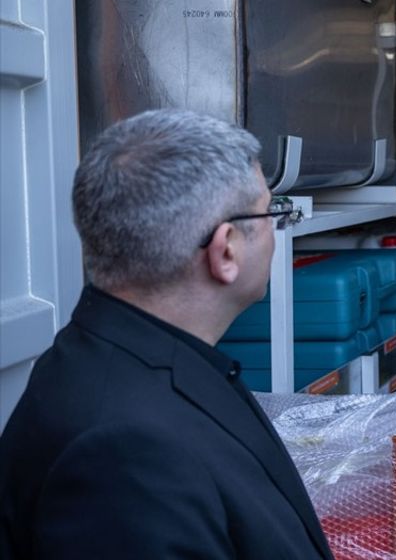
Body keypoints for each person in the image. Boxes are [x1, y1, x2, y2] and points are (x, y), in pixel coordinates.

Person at [0, 110, 333, 560]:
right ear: (226, 250)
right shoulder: (121, 458)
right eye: (272, 212)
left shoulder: (119, 351)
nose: (277, 230)